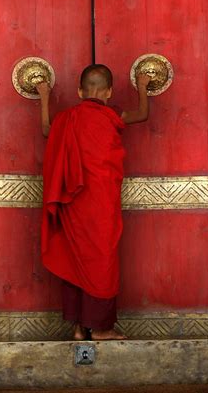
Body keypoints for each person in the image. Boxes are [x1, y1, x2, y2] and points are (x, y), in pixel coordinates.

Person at [36, 64, 150, 341]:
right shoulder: (111, 114)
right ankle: (100, 328)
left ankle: (78, 327)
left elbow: (46, 130)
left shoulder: (67, 117)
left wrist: (43, 96)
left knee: (75, 256)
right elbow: (143, 114)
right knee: (102, 257)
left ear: (79, 91)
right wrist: (143, 87)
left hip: (74, 201)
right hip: (101, 201)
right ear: (109, 92)